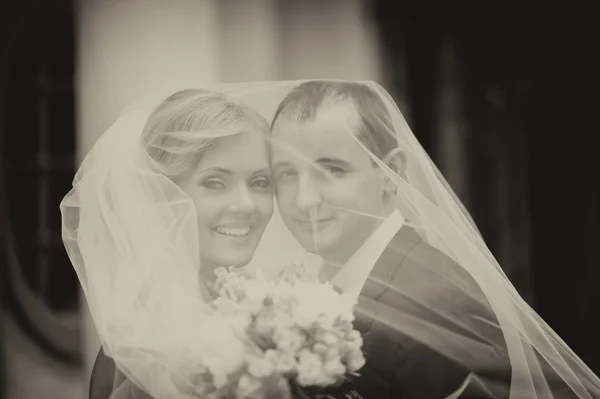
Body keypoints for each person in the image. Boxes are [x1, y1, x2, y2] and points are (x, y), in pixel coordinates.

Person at [267, 80, 600, 398]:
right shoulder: (320, 290)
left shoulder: (440, 305)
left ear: (389, 172)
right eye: (286, 174)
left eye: (330, 170)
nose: (304, 199)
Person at [61, 89, 275, 398]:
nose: (246, 205)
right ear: (163, 195)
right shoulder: (157, 347)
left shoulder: (242, 311)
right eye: (215, 183)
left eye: (259, 182)